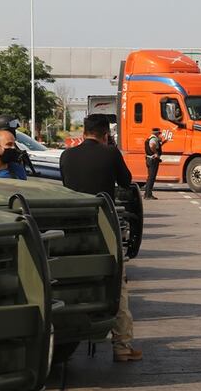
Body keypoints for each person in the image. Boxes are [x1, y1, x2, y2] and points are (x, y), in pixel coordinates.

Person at [60, 114, 140, 363]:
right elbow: (126, 182)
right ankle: (122, 346)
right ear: (106, 134)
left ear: (84, 132)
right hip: (103, 228)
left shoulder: (66, 156)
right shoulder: (110, 154)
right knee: (118, 285)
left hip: (73, 232)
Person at [143, 127, 162, 199]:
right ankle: (148, 195)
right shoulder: (154, 139)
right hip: (153, 160)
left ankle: (146, 194)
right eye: (159, 133)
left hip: (149, 159)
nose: (159, 135)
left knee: (149, 177)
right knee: (151, 178)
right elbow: (152, 145)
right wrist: (156, 153)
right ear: (156, 133)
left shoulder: (149, 138)